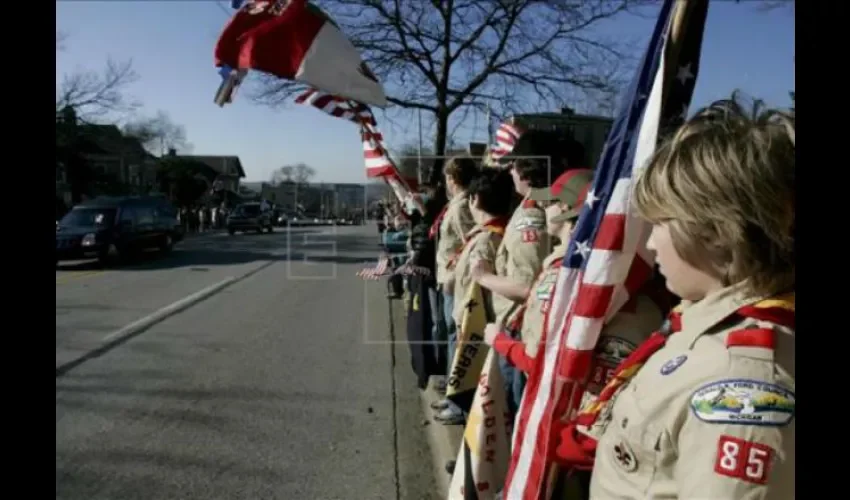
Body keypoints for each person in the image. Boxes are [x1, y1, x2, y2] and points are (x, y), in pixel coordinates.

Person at [556, 95, 795, 499]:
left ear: (718, 233)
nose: (649, 244)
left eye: (661, 224)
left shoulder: (742, 387)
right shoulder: (701, 322)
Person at [483, 169, 665, 499]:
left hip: (566, 415)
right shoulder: (589, 276)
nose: (542, 209)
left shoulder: (567, 279)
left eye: (551, 203)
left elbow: (541, 359)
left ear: (568, 214)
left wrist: (500, 341)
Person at [472, 129, 570, 415]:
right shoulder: (528, 207)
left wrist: (483, 277)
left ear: (527, 170)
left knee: (510, 412)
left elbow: (527, 285)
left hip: (518, 328)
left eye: (515, 165)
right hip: (517, 328)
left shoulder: (532, 216)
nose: (510, 171)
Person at [430, 157, 479, 424]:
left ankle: (458, 403)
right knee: (451, 338)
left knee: (456, 341)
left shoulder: (462, 206)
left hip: (455, 283)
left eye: (448, 177)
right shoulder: (456, 204)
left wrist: (454, 275)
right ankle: (452, 395)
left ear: (453, 178)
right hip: (447, 279)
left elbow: (469, 244)